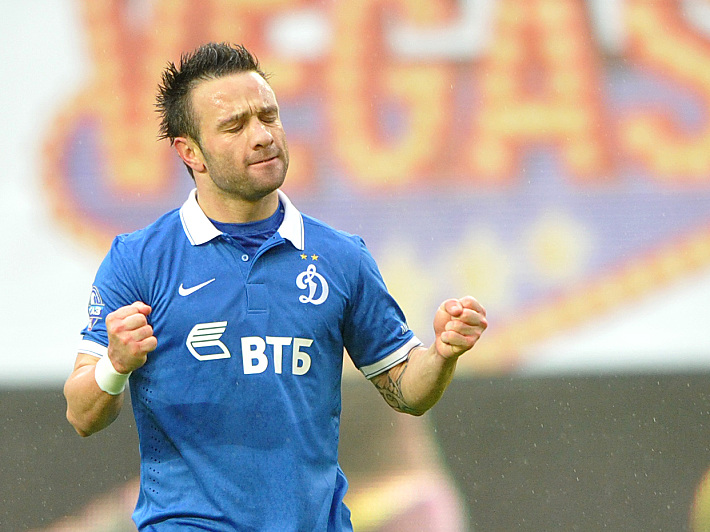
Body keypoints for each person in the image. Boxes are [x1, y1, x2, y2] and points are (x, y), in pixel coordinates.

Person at [63, 42, 487, 531]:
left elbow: (407, 390)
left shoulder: (341, 257)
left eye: (268, 116)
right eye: (234, 126)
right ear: (190, 152)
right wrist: (116, 365)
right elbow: (82, 414)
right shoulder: (139, 259)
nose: (263, 136)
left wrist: (442, 353)